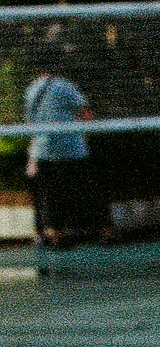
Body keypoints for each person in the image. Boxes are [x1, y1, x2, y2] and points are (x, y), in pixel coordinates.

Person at [22, 69, 100, 249]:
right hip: (71, 149)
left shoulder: (31, 89)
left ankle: (51, 232)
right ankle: (69, 231)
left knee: (48, 193)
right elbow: (86, 114)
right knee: (72, 189)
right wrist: (85, 136)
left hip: (42, 150)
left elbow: (31, 123)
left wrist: (32, 156)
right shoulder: (65, 86)